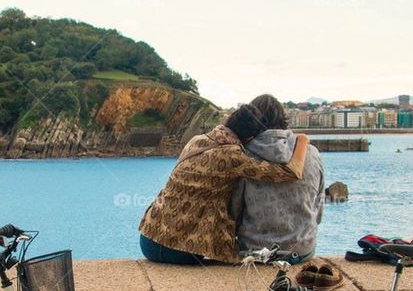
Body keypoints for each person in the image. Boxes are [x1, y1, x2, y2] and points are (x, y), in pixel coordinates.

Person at [138, 101, 309, 264]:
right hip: (178, 249)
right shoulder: (232, 155)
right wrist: (302, 140)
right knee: (251, 259)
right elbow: (290, 172)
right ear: (250, 137)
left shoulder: (197, 140)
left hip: (148, 238)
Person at [230, 95, 325, 262]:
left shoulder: (243, 156)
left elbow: (234, 211)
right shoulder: (311, 152)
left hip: (255, 252)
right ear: (284, 120)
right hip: (302, 250)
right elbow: (318, 208)